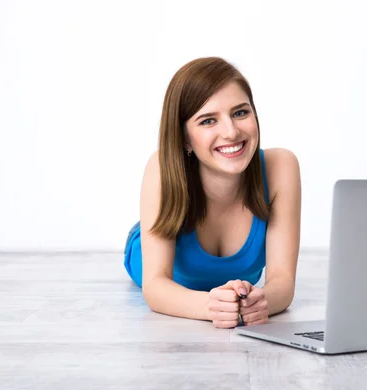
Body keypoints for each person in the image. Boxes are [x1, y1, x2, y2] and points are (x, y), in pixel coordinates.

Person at [123, 57, 301, 329]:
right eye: (208, 121)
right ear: (184, 138)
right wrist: (210, 306)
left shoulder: (281, 167)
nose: (231, 132)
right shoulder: (161, 168)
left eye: (240, 113)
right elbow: (156, 287)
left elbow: (282, 282)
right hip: (155, 245)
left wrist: (262, 301)